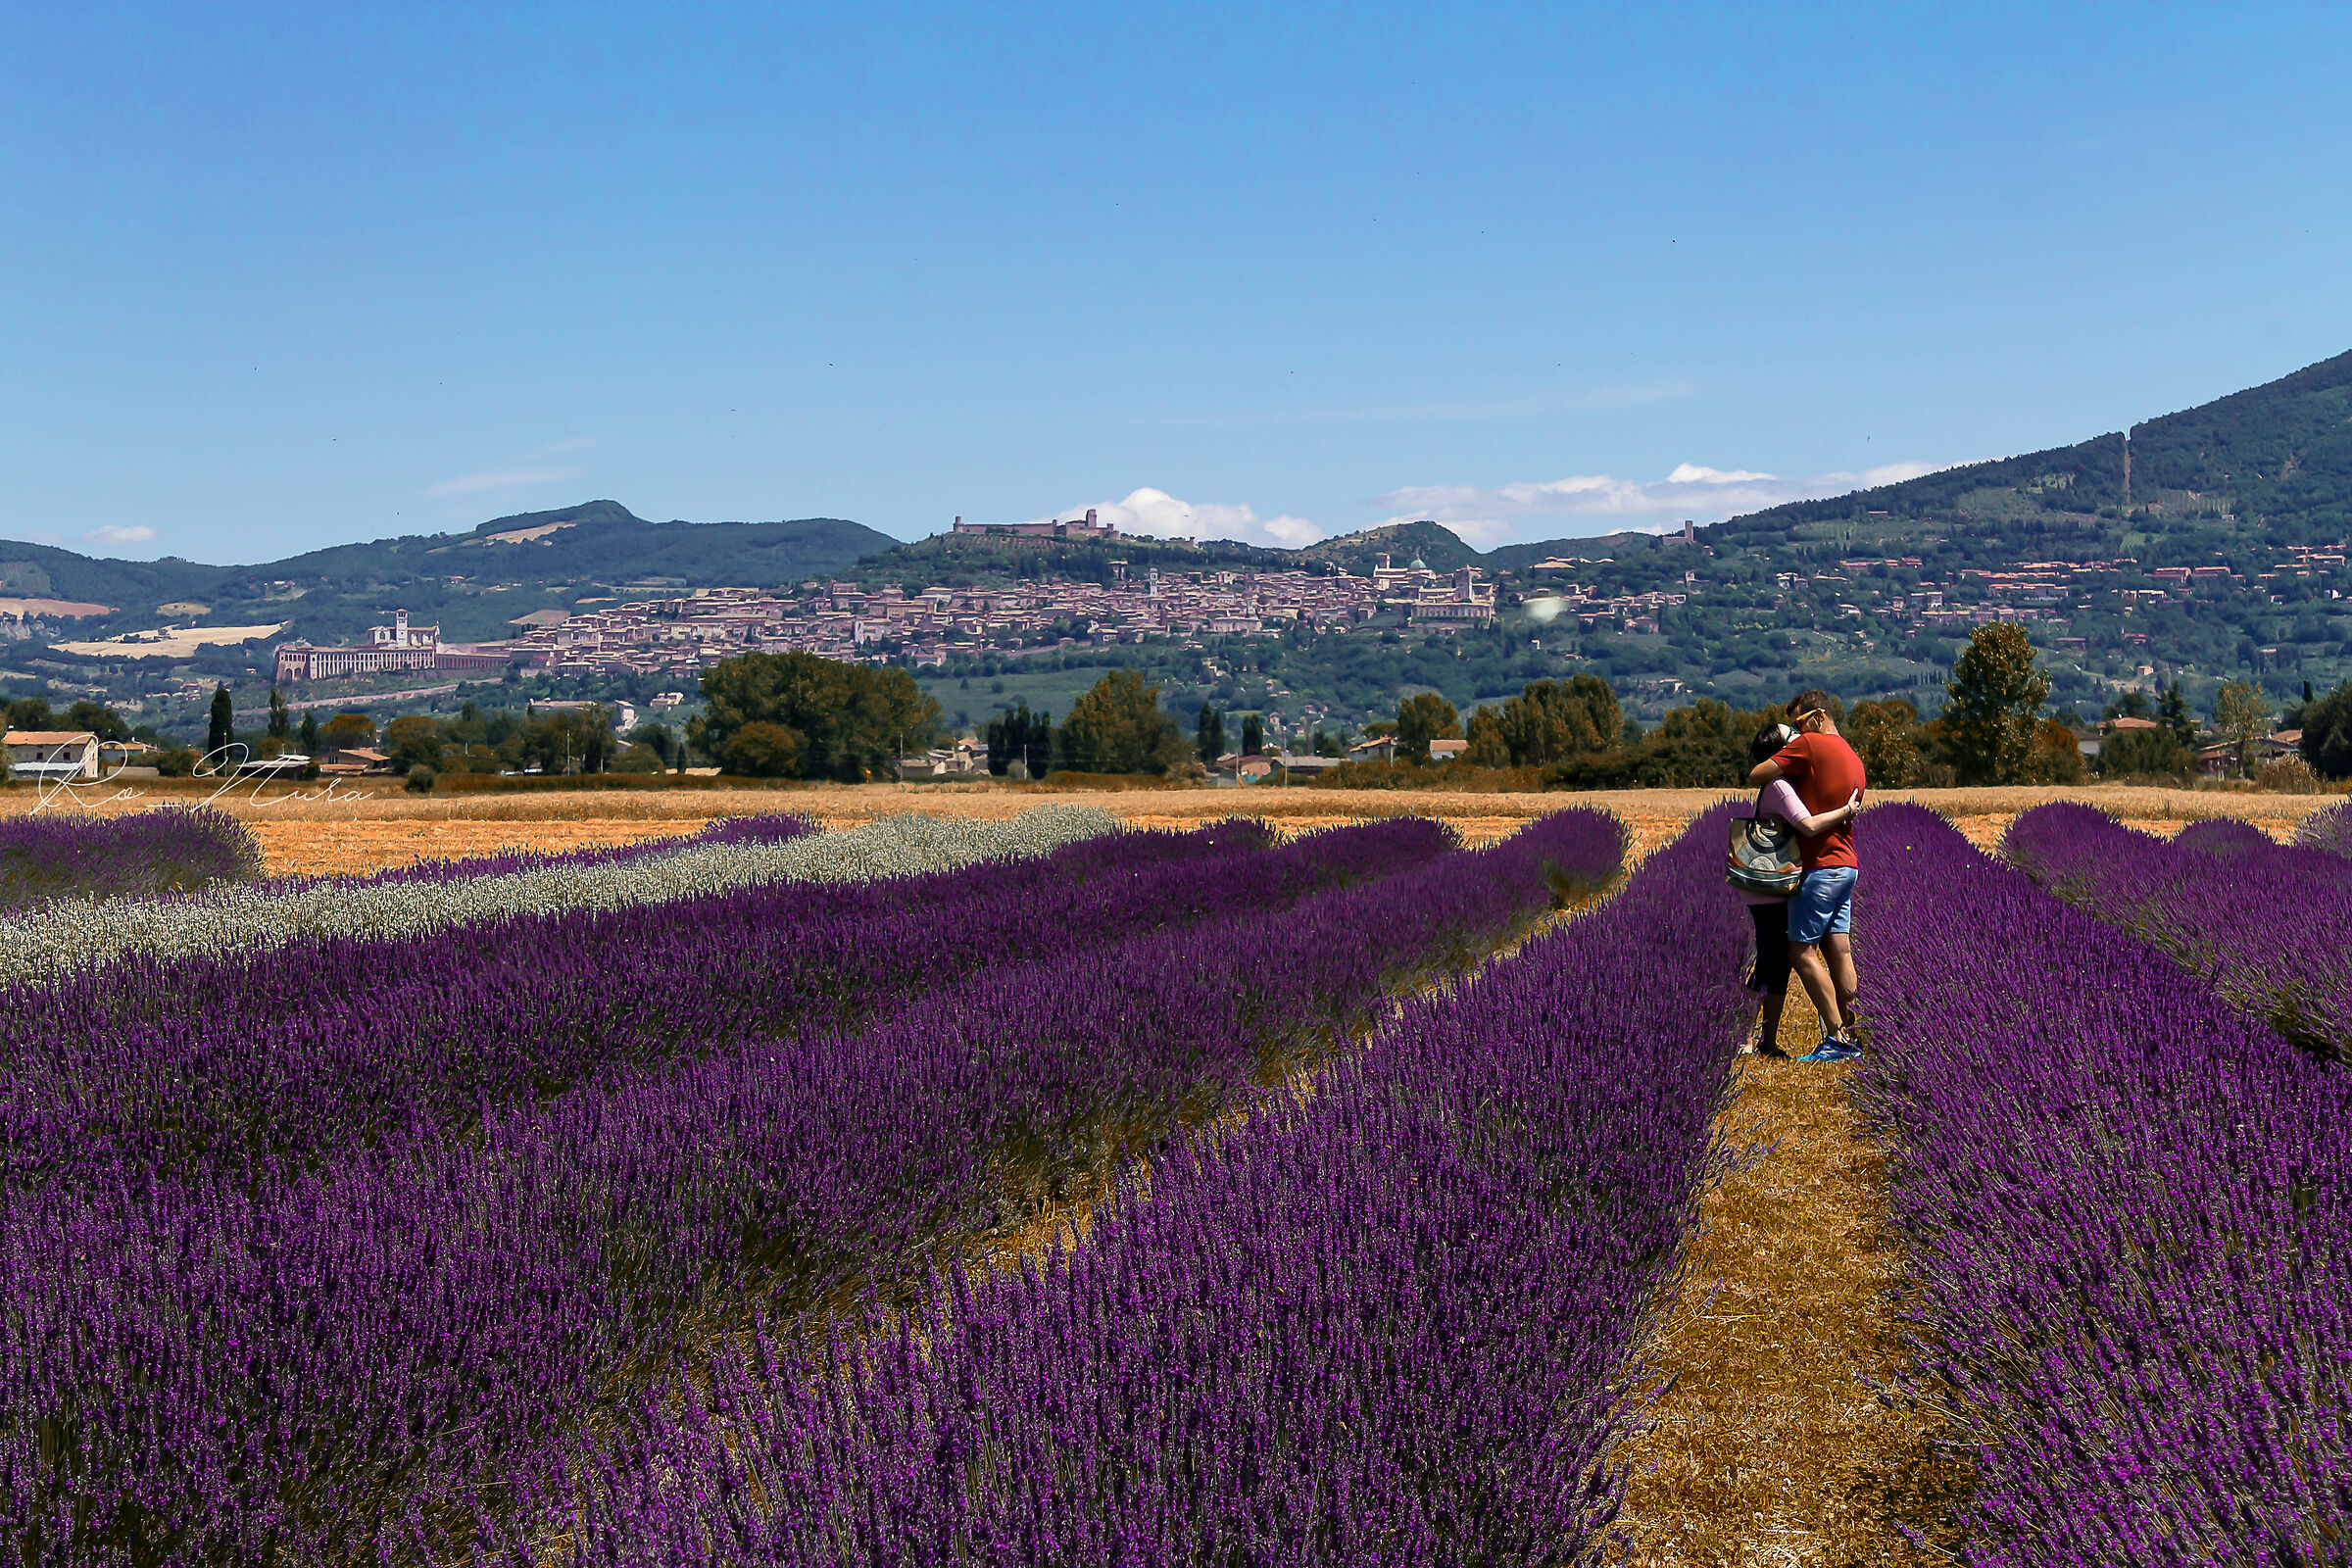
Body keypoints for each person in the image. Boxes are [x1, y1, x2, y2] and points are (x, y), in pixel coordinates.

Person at [1748, 690, 1869, 1063]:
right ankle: (1854, 1025)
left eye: (1800, 724)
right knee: (1841, 949)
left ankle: (1836, 1038)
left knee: (1798, 950)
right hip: (1848, 864)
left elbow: (1757, 774)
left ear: (1817, 717)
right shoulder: (1853, 755)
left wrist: (1780, 763)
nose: (1798, 734)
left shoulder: (1811, 746)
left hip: (1821, 866)